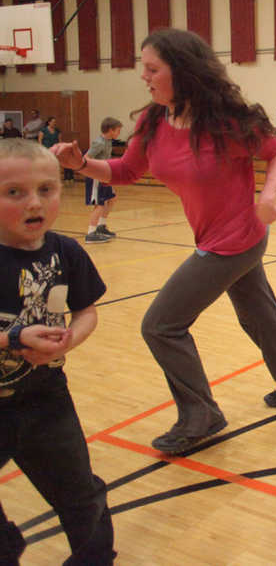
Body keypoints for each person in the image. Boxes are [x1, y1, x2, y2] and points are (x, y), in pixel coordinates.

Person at [51, 28, 276, 454]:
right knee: (259, 313)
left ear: (183, 71)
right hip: (219, 236)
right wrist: (82, 164)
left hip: (235, 240)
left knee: (161, 325)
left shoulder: (224, 119)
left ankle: (202, 415)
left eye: (152, 68)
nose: (144, 76)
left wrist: (269, 196)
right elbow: (124, 170)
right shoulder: (154, 120)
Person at [0, 139, 116, 564]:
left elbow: (86, 311)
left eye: (46, 189)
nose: (34, 202)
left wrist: (72, 338)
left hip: (46, 397)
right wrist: (14, 339)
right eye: (14, 192)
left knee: (80, 495)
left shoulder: (66, 251)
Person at [81, 117, 123, 244]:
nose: (119, 133)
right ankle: (91, 233)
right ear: (110, 130)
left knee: (112, 199)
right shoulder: (99, 143)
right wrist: (96, 168)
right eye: (118, 130)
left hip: (105, 175)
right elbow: (86, 158)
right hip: (96, 177)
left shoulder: (108, 141)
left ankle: (101, 226)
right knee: (99, 204)